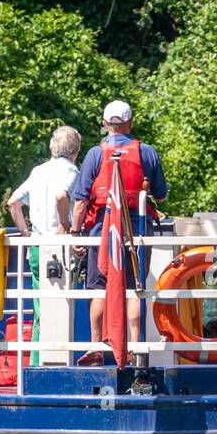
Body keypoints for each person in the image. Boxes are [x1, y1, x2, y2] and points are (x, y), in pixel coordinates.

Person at [70, 100, 168, 366]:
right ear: (130, 123)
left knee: (99, 286)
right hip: (136, 226)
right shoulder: (147, 152)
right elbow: (161, 194)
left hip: (102, 229)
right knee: (134, 286)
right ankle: (134, 346)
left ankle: (96, 346)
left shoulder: (94, 154)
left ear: (104, 124)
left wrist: (76, 234)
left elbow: (80, 200)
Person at [8, 126, 82, 366]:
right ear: (76, 150)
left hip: (37, 246)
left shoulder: (38, 171)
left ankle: (35, 363)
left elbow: (13, 203)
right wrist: (64, 225)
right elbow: (62, 196)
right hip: (58, 249)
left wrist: (26, 234)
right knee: (57, 310)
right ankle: (46, 365)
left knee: (41, 308)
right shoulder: (71, 171)